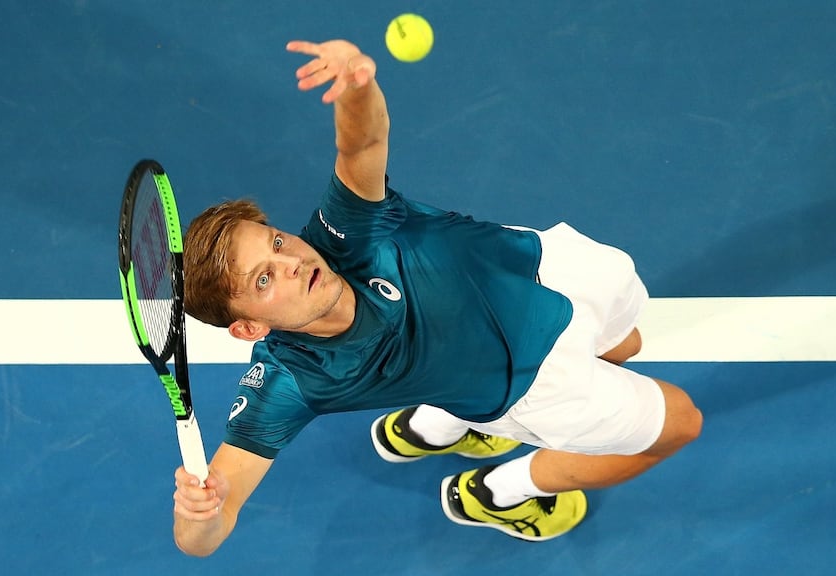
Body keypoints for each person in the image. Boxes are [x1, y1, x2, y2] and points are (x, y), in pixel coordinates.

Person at [172, 38, 703, 556]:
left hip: (549, 268)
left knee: (625, 344)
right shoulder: (289, 382)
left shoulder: (347, 231)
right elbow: (206, 534)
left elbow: (361, 144)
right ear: (248, 329)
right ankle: (504, 490)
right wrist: (199, 516)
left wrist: (358, 84)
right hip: (534, 387)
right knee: (681, 425)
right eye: (264, 280)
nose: (293, 262)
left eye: (278, 242)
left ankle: (440, 426)